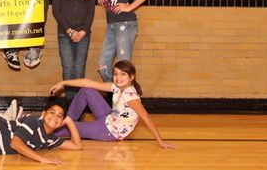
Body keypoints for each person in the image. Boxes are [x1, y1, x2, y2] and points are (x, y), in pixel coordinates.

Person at [48, 60, 176, 149]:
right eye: (115, 74)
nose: (118, 77)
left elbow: (145, 117)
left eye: (123, 74)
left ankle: (45, 132)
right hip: (109, 118)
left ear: (131, 77)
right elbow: (89, 83)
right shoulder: (118, 87)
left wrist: (160, 141)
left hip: (109, 132)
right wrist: (64, 83)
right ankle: (68, 119)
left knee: (69, 129)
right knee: (87, 91)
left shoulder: (130, 95)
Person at [52, 0, 96, 98]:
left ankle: (79, 106)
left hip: (84, 35)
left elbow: (91, 11)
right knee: (68, 69)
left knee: (79, 70)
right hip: (65, 35)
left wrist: (83, 31)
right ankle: (70, 107)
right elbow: (56, 11)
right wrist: (69, 31)